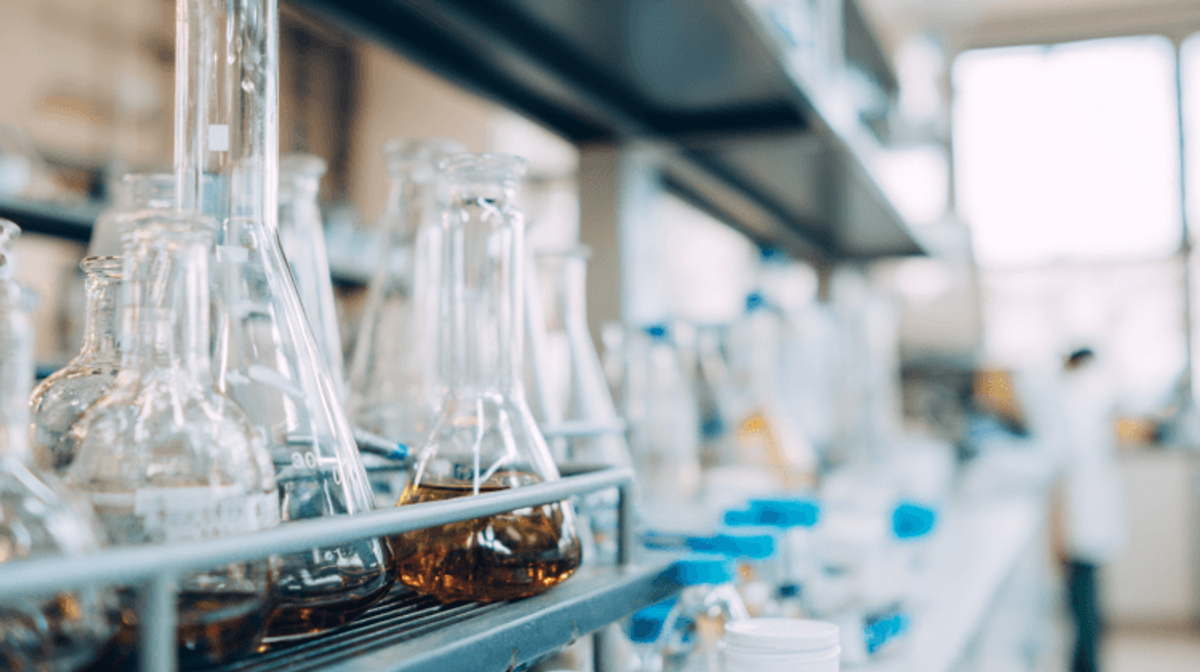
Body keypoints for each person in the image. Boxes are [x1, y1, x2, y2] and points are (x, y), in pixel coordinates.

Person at [1056, 347, 1125, 672]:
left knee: (1081, 598)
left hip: (1080, 515)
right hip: (1091, 514)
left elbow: (1060, 463)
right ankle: (1086, 662)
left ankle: (1085, 664)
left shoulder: (1070, 396)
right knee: (1088, 597)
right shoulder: (1091, 395)